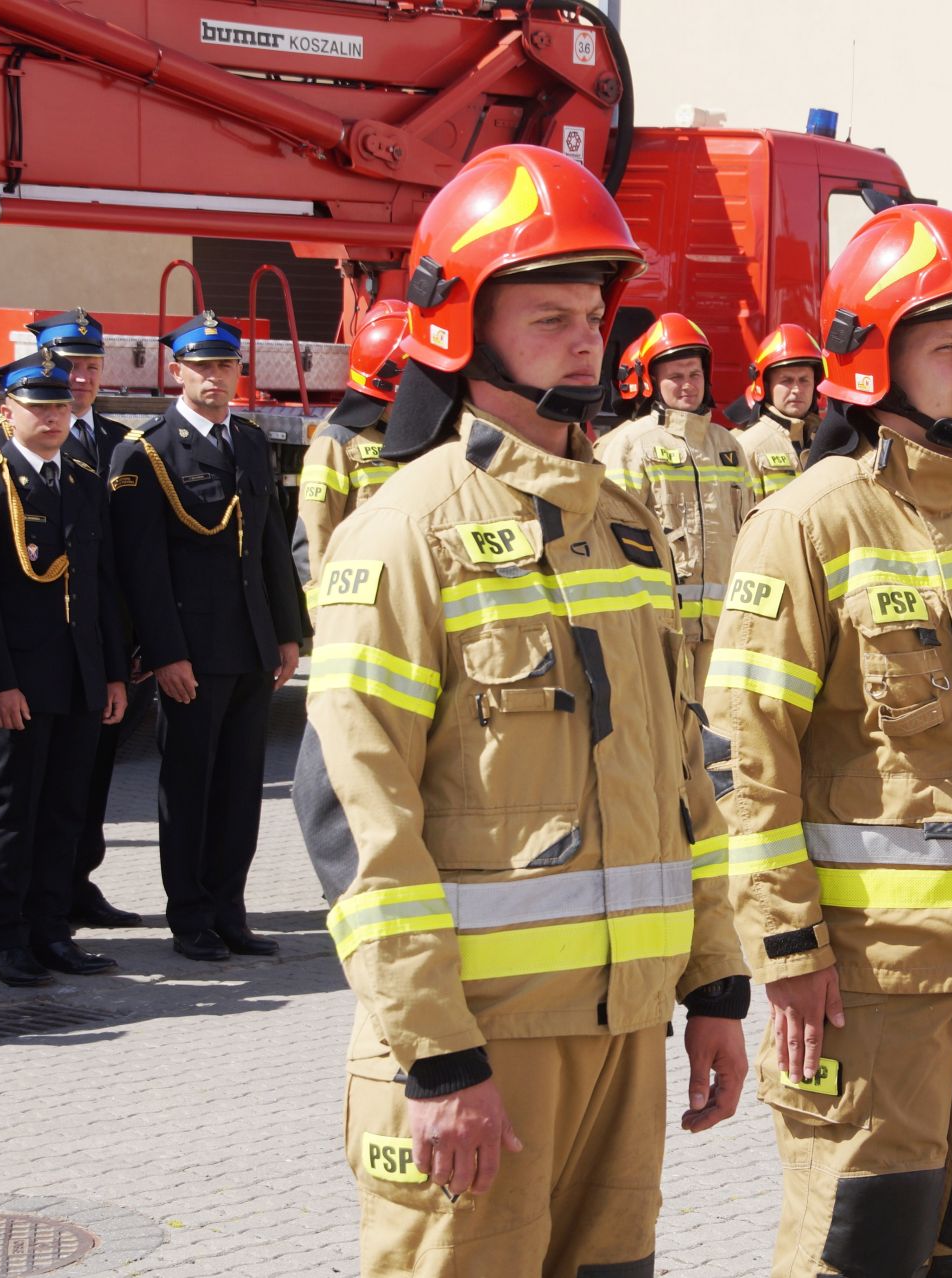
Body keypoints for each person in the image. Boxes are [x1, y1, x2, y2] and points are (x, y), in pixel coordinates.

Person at [293, 143, 747, 1277]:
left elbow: (681, 776)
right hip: (478, 1048)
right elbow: (355, 818)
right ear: (461, 330)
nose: (586, 339)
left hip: (624, 1038)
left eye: (593, 315)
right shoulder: (406, 531)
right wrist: (439, 1057)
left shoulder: (624, 525)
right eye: (549, 317)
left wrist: (716, 982)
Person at [705, 203, 952, 1277]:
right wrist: (786, 952)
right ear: (875, 360)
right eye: (947, 346)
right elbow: (748, 756)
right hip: (869, 980)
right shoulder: (807, 522)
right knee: (860, 1247)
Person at [108, 311, 301, 961]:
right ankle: (190, 916)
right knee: (190, 786)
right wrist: (165, 653)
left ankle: (229, 910)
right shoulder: (148, 452)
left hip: (249, 645)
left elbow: (271, 544)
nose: (215, 377)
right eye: (203, 367)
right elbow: (143, 569)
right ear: (177, 372)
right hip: (192, 651)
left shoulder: (248, 441)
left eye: (225, 365)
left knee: (241, 788)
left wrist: (286, 632)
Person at [0, 351, 129, 986]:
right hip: (17, 682)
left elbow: (102, 587)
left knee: (65, 809)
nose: (52, 417)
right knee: (14, 809)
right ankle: (6, 938)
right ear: (7, 412)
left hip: (77, 677)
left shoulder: (81, 481)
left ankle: (52, 931)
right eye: (38, 406)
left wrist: (111, 673)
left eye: (59, 406)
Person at [28, 308, 144, 928]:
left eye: (92, 366)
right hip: (41, 642)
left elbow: (133, 553)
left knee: (93, 770)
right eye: (69, 365)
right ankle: (34, 899)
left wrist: (132, 639)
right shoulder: (19, 442)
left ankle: (78, 882)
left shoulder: (123, 443)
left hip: (103, 636)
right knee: (36, 784)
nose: (81, 377)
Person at [595, 312, 754, 701]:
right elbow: (613, 537)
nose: (687, 385)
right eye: (676, 376)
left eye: (695, 374)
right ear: (652, 381)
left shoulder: (728, 446)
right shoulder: (632, 444)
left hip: (721, 629)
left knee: (717, 727)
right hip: (659, 628)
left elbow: (747, 530)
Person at [294, 299, 408, 616]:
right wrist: (324, 618)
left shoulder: (422, 435)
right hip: (361, 609)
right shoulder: (336, 442)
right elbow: (314, 536)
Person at [734, 322, 825, 499]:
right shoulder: (748, 447)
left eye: (804, 380)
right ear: (766, 386)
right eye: (787, 381)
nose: (797, 389)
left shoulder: (829, 441)